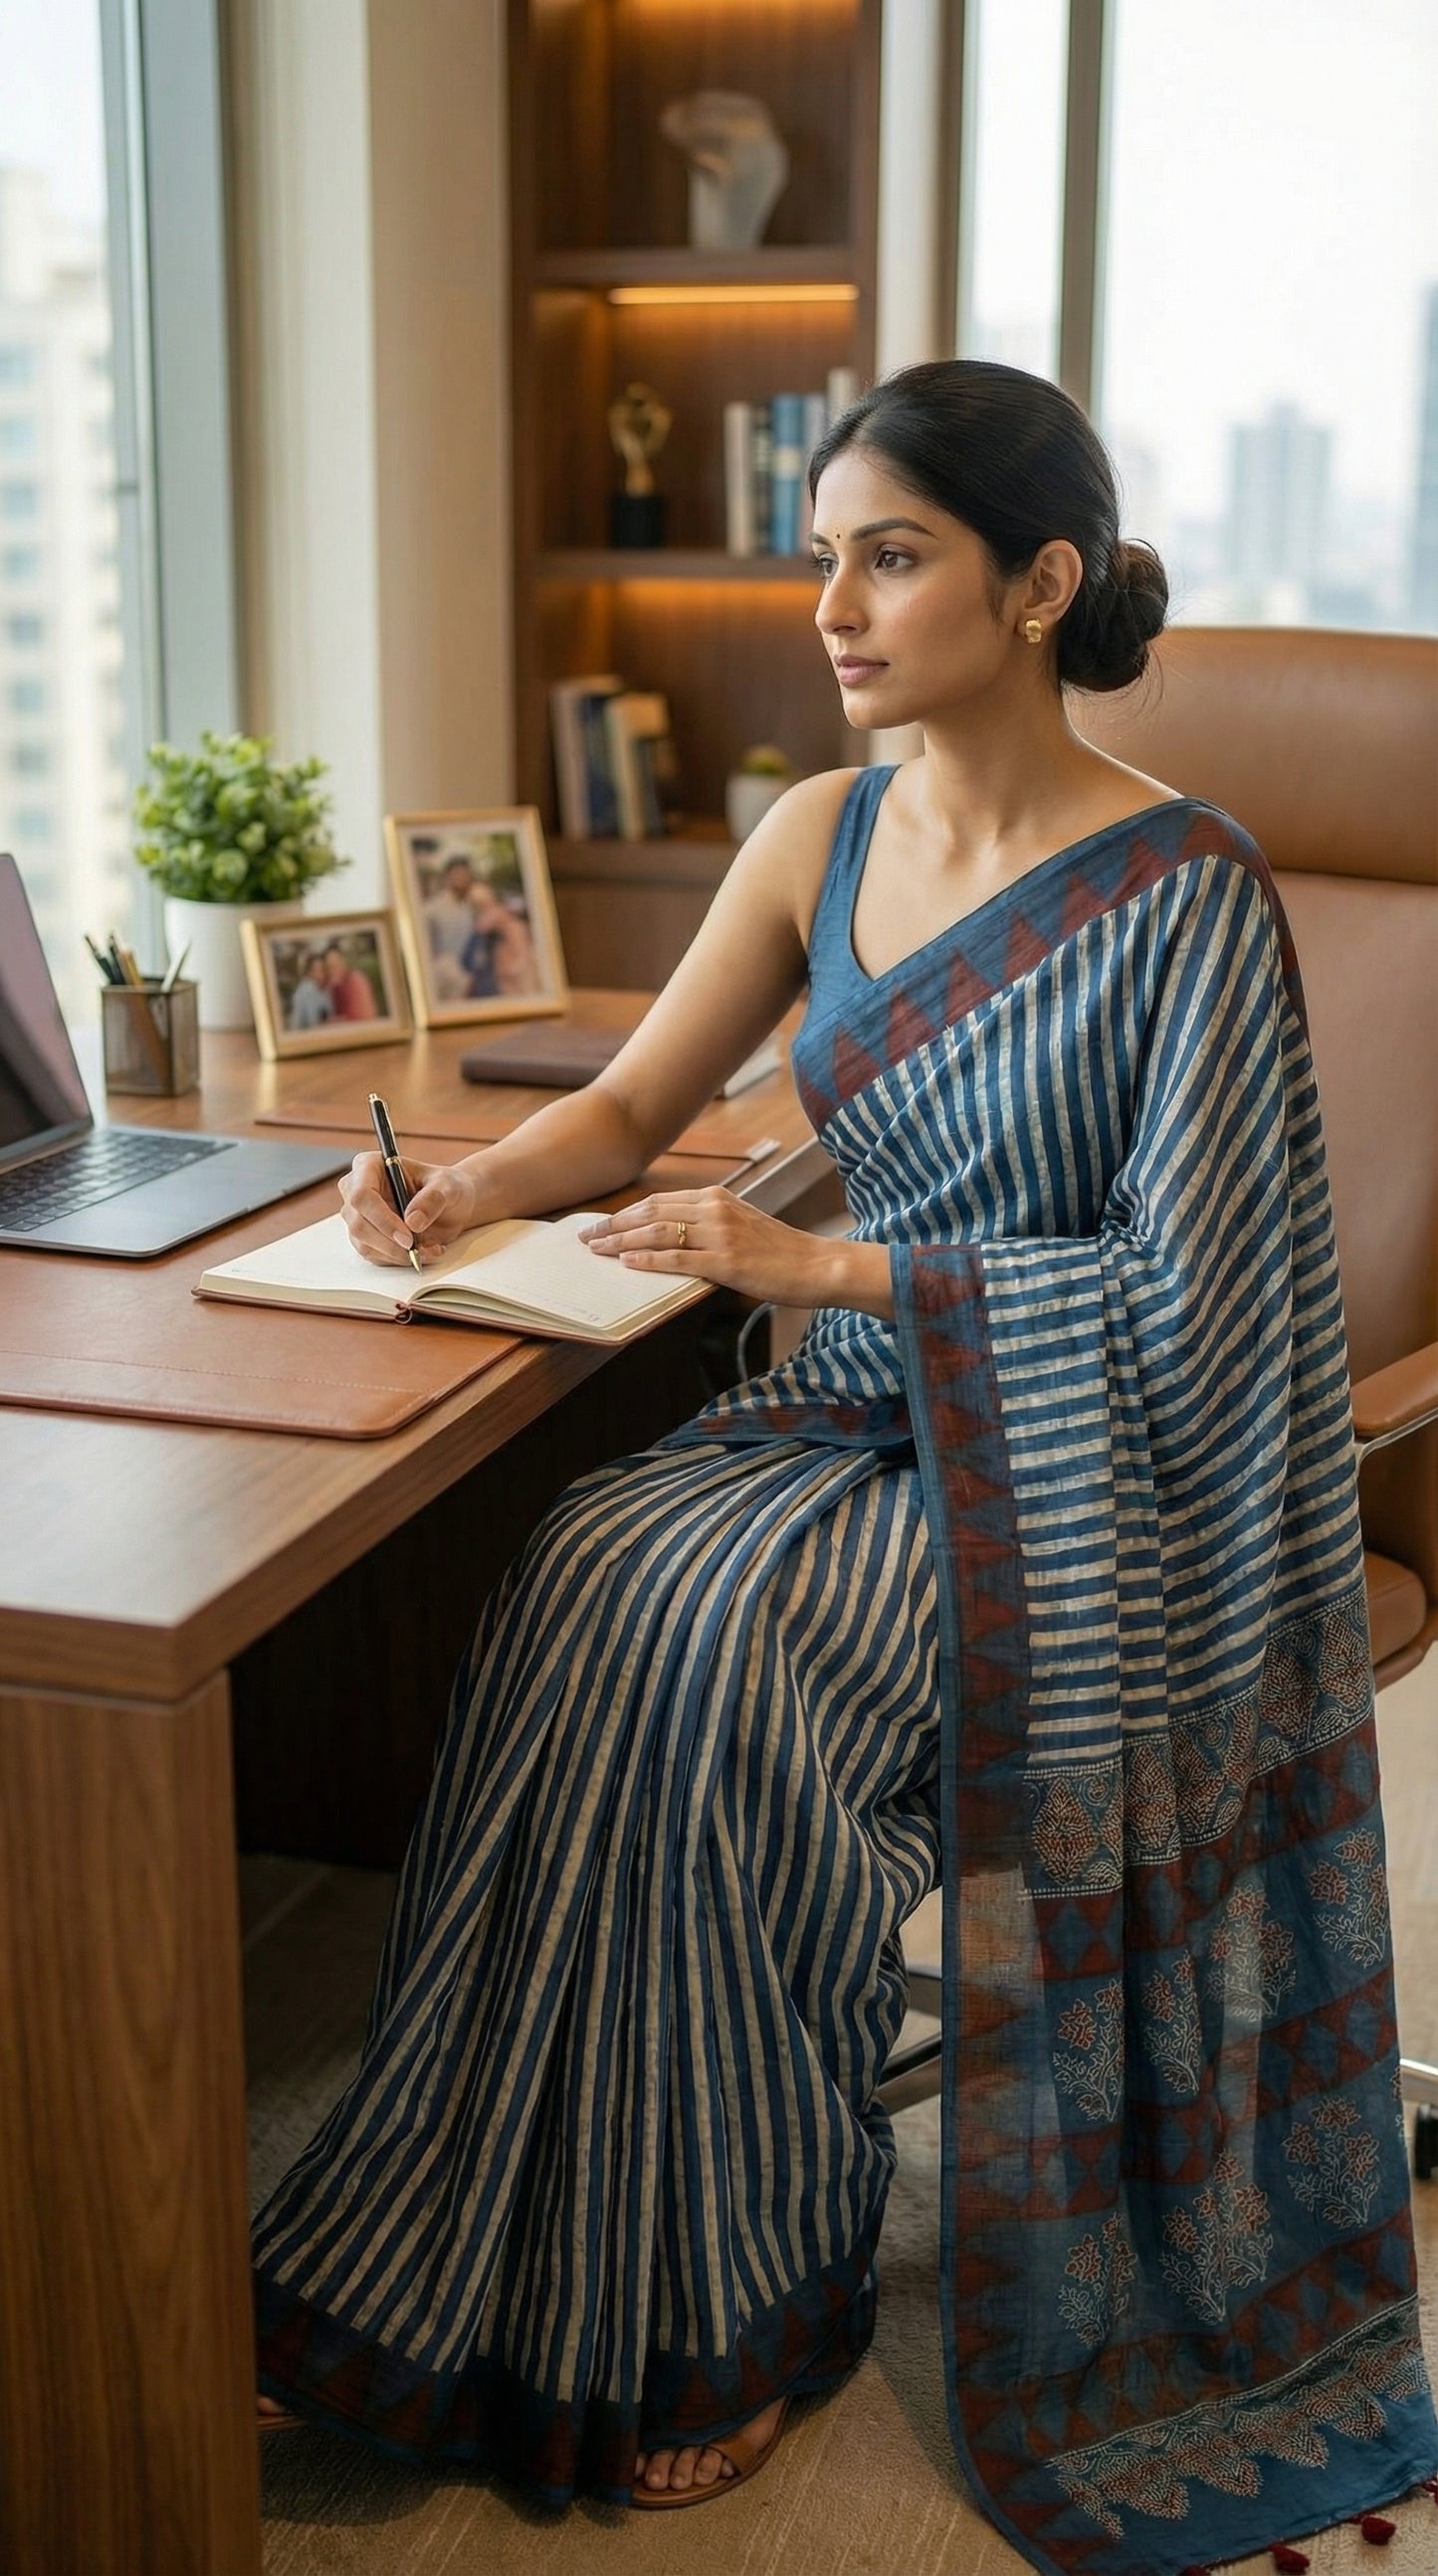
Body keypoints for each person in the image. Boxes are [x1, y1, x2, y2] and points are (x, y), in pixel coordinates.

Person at [253, 361, 1436, 2568]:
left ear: (1036, 580)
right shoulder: (820, 830)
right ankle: (505, 2252)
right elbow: (618, 1109)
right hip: (836, 1425)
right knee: (590, 1562)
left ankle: (736, 2295)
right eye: (821, 555)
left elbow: (1196, 1306)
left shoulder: (1183, 889)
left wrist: (812, 1254)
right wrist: (457, 1193)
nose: (828, 603)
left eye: (886, 554)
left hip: (1085, 1480)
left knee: (715, 1643)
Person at [422, 853, 479, 1001]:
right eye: (457, 873)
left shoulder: (473, 906)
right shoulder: (431, 909)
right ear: (447, 876)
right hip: (445, 975)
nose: (462, 878)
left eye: (465, 874)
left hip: (472, 974)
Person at [322, 940, 378, 1022]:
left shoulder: (356, 981)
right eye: (328, 968)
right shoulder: (335, 987)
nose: (331, 971)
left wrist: (331, 1022)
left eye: (334, 966)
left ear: (343, 963)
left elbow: (360, 1018)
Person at [286, 949, 332, 1032]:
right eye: (318, 970)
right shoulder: (307, 990)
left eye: (323, 969)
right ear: (309, 972)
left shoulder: (322, 989)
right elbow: (313, 1025)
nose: (322, 974)